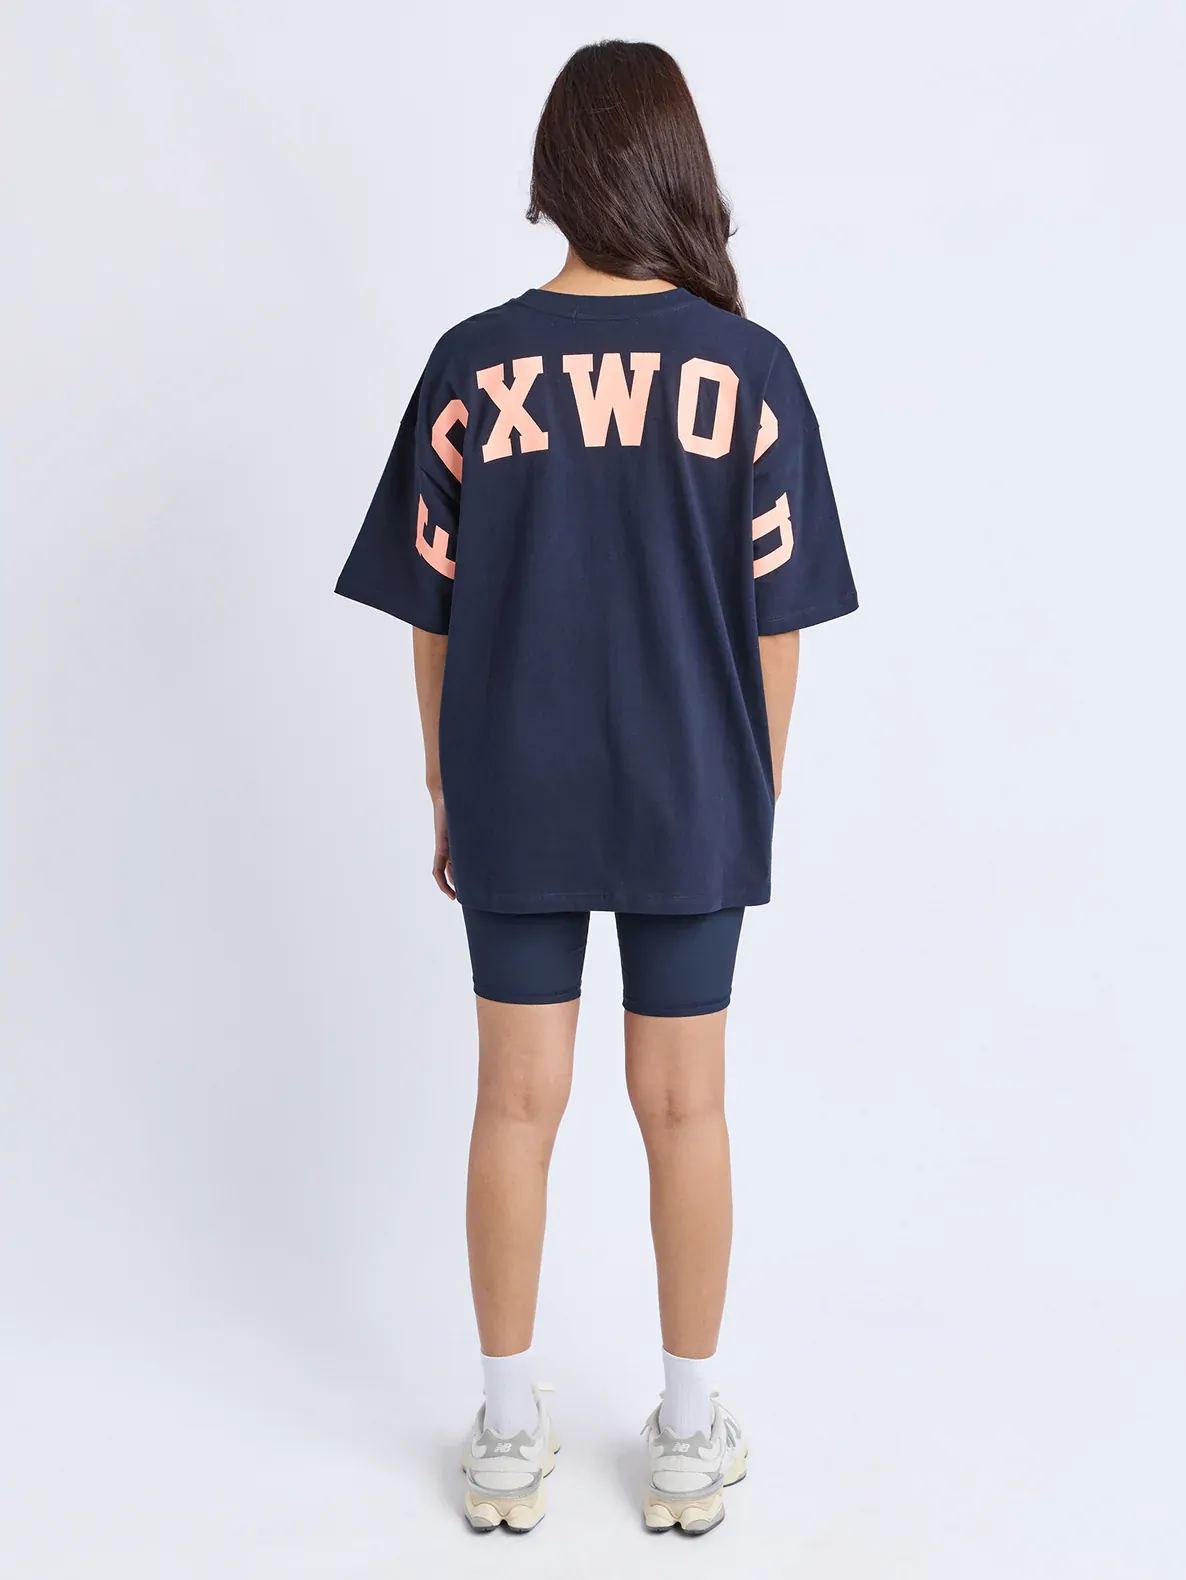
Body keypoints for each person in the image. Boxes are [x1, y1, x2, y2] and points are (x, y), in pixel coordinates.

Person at [336, 38, 857, 1537]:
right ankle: (689, 1435)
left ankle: (506, 1436)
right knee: (686, 1108)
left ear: (555, 173)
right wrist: (751, 784)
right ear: (678, 165)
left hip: (515, 774)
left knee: (514, 1102)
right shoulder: (749, 371)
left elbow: (432, 614)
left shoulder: (472, 364)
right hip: (694, 780)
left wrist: (448, 781)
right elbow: (776, 624)